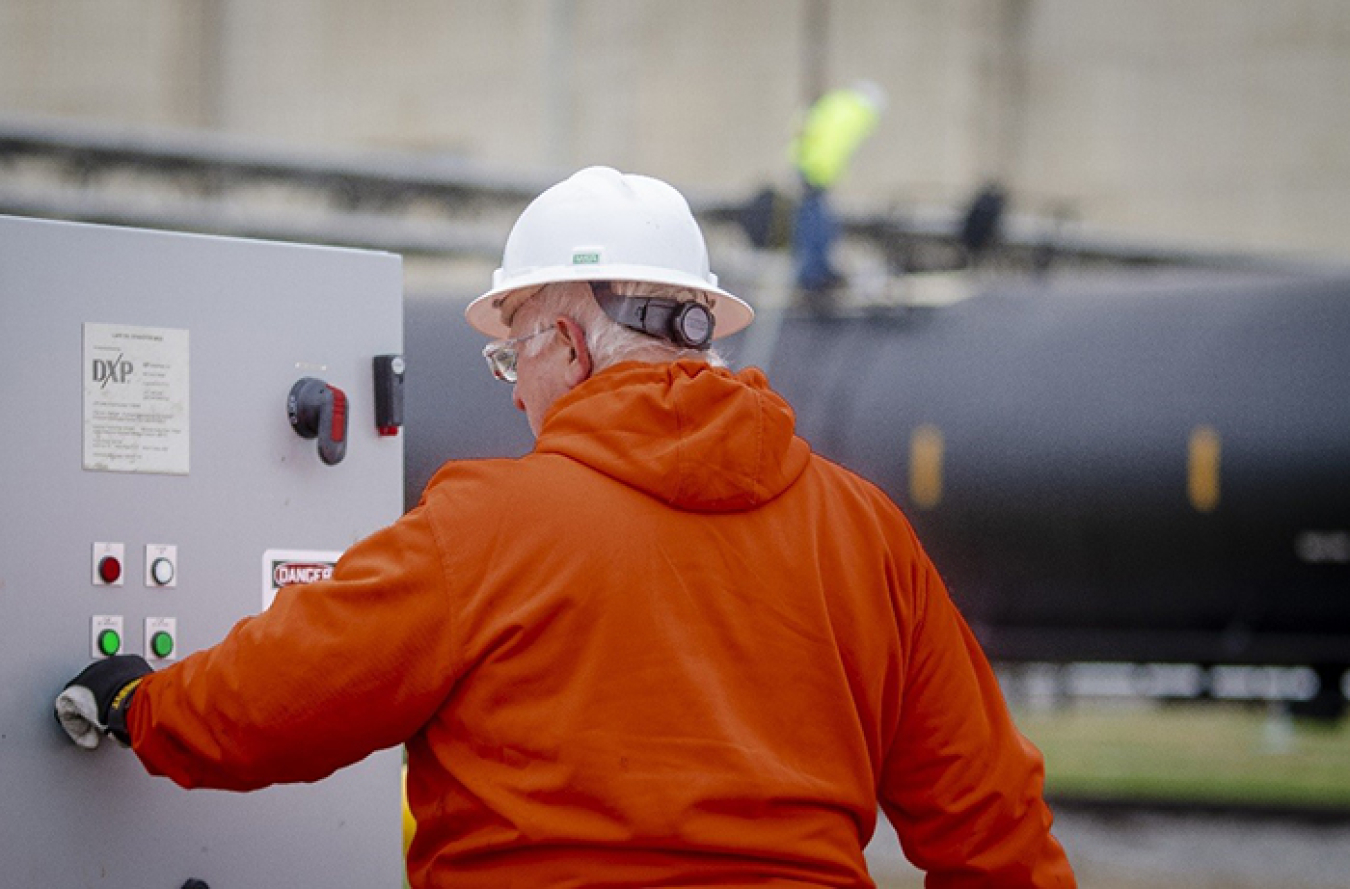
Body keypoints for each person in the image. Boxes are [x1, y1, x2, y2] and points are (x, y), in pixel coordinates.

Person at [56, 165, 1076, 887]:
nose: (511, 393)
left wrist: (138, 702)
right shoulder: (868, 533)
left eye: (513, 359)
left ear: (568, 345)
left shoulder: (488, 527)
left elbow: (274, 697)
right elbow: (993, 831)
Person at [790, 80, 886, 298]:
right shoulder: (852, 113)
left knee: (817, 222)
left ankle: (816, 272)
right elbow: (832, 146)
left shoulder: (836, 105)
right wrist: (821, 173)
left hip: (811, 169)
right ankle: (814, 275)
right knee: (817, 225)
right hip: (816, 172)